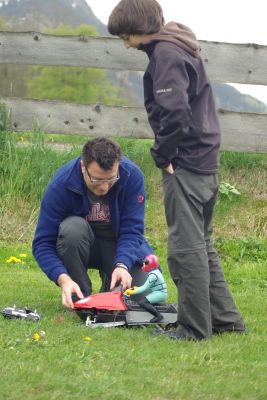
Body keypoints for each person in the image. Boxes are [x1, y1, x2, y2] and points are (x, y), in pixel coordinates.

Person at [108, 0, 245, 340]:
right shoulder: (178, 44)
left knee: (186, 249)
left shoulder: (166, 54)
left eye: (126, 36)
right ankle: (227, 320)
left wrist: (162, 154)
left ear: (140, 29)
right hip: (205, 158)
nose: (125, 44)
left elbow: (175, 112)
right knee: (203, 244)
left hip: (185, 162)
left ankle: (193, 328)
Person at [32, 137, 156, 312]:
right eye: (97, 180)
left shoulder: (132, 176)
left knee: (144, 295)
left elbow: (132, 231)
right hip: (79, 243)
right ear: (83, 166)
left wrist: (122, 265)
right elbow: (42, 243)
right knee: (72, 229)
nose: (104, 187)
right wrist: (63, 279)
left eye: (111, 180)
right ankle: (80, 295)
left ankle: (110, 284)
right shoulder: (61, 183)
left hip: (115, 244)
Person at [125, 254, 167, 323]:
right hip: (160, 292)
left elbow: (144, 288)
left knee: (142, 302)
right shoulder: (155, 272)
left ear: (150, 265)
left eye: (144, 264)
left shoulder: (153, 275)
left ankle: (158, 316)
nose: (143, 266)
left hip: (159, 293)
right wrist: (136, 288)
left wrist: (131, 292)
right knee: (148, 301)